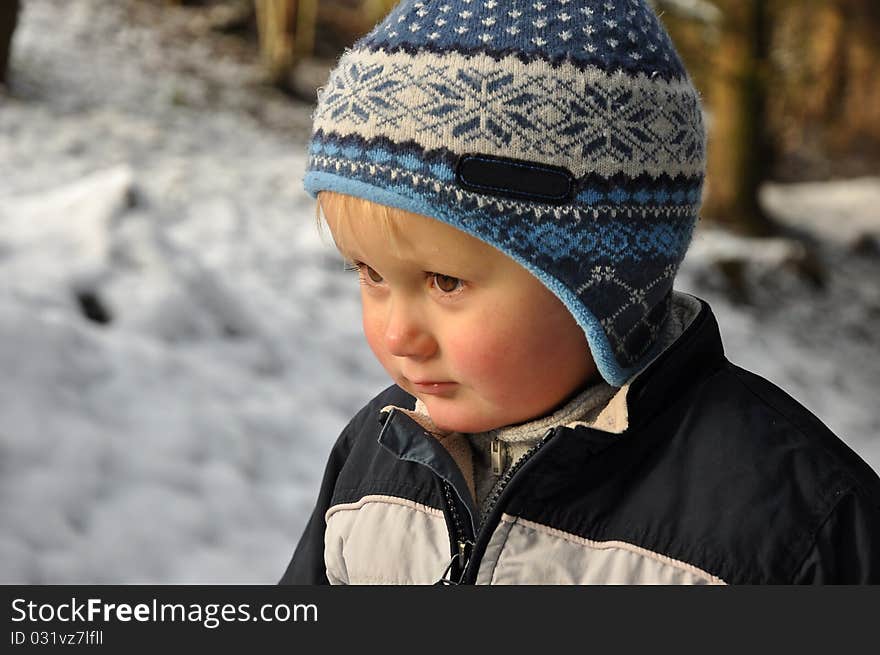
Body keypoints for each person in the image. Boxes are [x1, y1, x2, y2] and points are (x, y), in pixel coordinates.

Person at [280, 0, 880, 585]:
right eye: (370, 273)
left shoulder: (794, 525)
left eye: (445, 282)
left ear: (601, 284)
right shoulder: (379, 455)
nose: (395, 336)